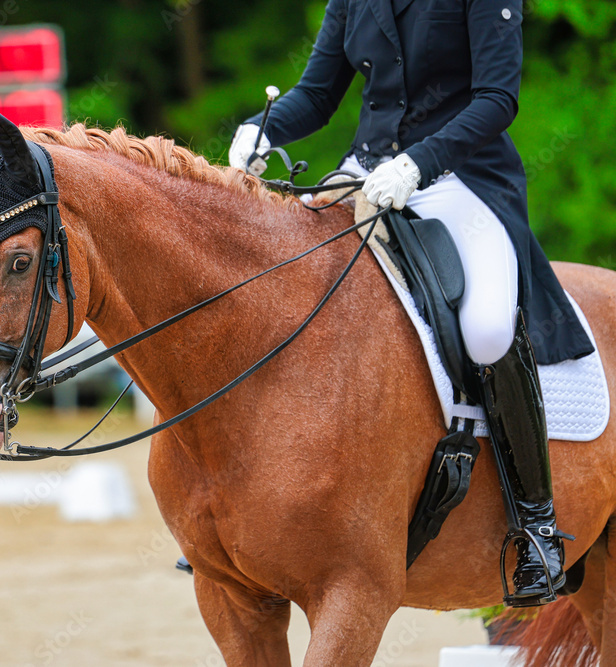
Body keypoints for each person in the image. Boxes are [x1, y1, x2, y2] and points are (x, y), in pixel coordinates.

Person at [228, 0, 594, 606]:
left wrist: (418, 162)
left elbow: (497, 98)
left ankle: (537, 528)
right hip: (366, 174)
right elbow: (318, 96)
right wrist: (261, 127)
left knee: (487, 331)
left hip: (462, 179)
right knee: (277, 283)